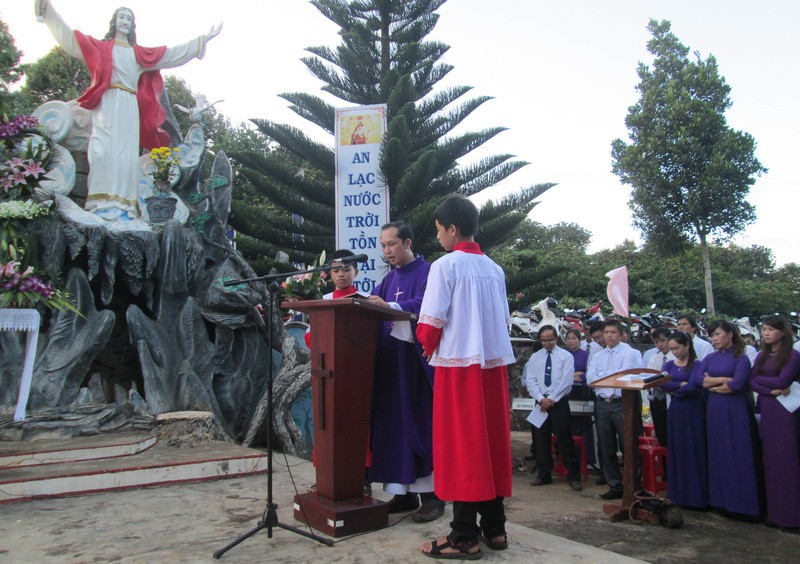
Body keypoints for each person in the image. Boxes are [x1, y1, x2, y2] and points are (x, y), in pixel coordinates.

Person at [36, 1, 222, 220]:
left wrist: (200, 41)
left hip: (128, 107)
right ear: (114, 22)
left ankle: (125, 206)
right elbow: (70, 38)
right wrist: (48, 12)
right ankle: (98, 202)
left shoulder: (138, 55)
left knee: (125, 154)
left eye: (129, 19)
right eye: (121, 17)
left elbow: (170, 55)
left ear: (132, 26)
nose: (124, 22)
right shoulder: (101, 48)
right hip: (106, 104)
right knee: (101, 151)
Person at [416, 194, 514, 560]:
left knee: (462, 447)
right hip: (492, 366)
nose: (439, 238)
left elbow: (430, 323)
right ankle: (495, 528)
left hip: (459, 367)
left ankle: (463, 536)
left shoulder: (445, 266)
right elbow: (502, 320)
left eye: (440, 231)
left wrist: (426, 347)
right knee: (488, 445)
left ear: (452, 229)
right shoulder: (495, 268)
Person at [366, 222, 442, 522]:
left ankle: (433, 497)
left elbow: (427, 306)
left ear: (407, 243)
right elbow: (375, 304)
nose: (387, 251)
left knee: (419, 426)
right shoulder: (388, 279)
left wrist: (390, 305)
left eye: (392, 244)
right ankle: (403, 494)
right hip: (390, 366)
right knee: (394, 429)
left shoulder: (428, 273)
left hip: (414, 367)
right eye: (383, 246)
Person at [701, 319, 763, 518]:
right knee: (718, 452)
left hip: (735, 409)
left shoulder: (741, 357)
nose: (715, 338)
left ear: (730, 333)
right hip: (715, 409)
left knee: (738, 452)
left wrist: (715, 384)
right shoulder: (710, 357)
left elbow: (736, 385)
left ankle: (743, 505)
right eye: (712, 335)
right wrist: (721, 380)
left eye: (718, 334)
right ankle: (720, 501)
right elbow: (701, 380)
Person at [749, 316, 800, 530]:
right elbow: (751, 380)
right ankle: (775, 513)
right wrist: (769, 389)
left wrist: (764, 383)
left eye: (771, 329)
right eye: (764, 330)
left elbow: (783, 380)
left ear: (783, 332)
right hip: (768, 406)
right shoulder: (761, 355)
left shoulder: (793, 355)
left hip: (786, 410)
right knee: (770, 460)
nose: (766, 333)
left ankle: (792, 517)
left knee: (787, 461)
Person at [586, 319, 643, 500]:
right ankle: (614, 484)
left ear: (621, 334)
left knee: (629, 443)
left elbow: (624, 376)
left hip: (622, 403)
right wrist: (610, 375)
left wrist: (603, 376)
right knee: (606, 444)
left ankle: (634, 484)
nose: (609, 336)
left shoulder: (630, 353)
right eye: (607, 332)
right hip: (603, 403)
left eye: (613, 332)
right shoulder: (598, 356)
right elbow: (590, 379)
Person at [524, 325, 583, 491]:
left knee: (565, 438)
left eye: (550, 339)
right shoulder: (535, 357)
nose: (547, 343)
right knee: (540, 439)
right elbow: (531, 381)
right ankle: (544, 474)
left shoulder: (565, 356)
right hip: (541, 402)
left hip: (559, 402)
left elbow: (566, 381)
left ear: (556, 338)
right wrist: (541, 399)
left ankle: (573, 475)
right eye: (544, 340)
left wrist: (552, 399)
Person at [659, 331, 708, 509]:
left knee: (694, 449)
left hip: (692, 410)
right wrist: (679, 385)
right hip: (676, 409)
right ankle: (678, 494)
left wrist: (675, 387)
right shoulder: (670, 364)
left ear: (687, 345)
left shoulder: (697, 364)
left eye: (677, 348)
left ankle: (696, 496)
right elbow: (661, 382)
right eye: (672, 349)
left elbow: (694, 387)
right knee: (677, 450)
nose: (675, 352)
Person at [564, 328, 596, 466]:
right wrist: (574, 375)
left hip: (582, 393)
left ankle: (588, 459)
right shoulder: (563, 355)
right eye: (569, 338)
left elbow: (588, 373)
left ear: (579, 339)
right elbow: (563, 374)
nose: (571, 341)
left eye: (574, 338)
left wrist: (579, 375)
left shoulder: (586, 355)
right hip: (567, 393)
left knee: (585, 426)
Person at [646, 326, 674, 448]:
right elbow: (649, 378)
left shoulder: (676, 357)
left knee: (673, 434)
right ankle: (664, 465)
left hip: (672, 399)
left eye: (663, 340)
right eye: (656, 342)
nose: (660, 344)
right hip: (657, 400)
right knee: (661, 435)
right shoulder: (654, 358)